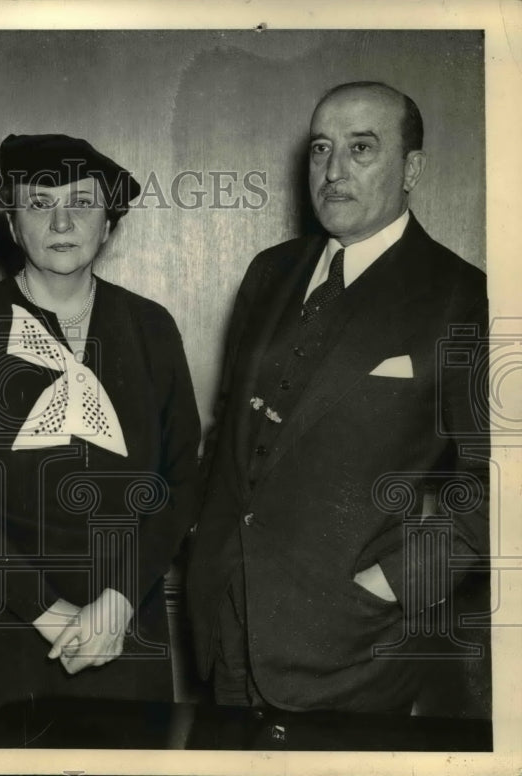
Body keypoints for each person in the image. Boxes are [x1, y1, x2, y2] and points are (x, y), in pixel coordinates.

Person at [187, 82, 489, 715]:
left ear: (412, 169)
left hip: (353, 647)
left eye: (361, 148)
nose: (333, 170)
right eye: (321, 148)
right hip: (226, 626)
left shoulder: (463, 296)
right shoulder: (270, 271)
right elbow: (232, 434)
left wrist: (392, 587)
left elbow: (500, 492)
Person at [0, 133, 202, 746]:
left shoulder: (151, 328)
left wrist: (120, 600)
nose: (63, 220)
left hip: (123, 629)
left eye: (82, 202)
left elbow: (181, 481)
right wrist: (49, 614)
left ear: (109, 223)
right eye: (40, 203)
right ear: (13, 224)